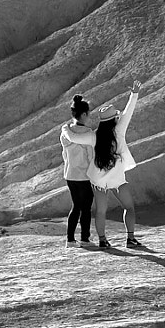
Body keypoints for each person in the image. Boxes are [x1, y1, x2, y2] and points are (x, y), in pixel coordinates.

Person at [88, 88, 145, 250]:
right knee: (129, 207)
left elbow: (76, 138)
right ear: (114, 119)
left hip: (99, 179)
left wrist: (67, 129)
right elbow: (128, 112)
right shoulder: (118, 131)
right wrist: (134, 94)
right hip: (117, 178)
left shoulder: (94, 135)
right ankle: (130, 239)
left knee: (101, 211)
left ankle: (103, 240)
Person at [60, 95, 99, 246]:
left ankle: (70, 239)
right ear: (83, 114)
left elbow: (64, 154)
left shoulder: (65, 132)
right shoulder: (88, 133)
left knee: (75, 206)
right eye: (88, 113)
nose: (89, 116)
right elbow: (91, 157)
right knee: (86, 208)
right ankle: (84, 238)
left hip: (70, 174)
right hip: (84, 175)